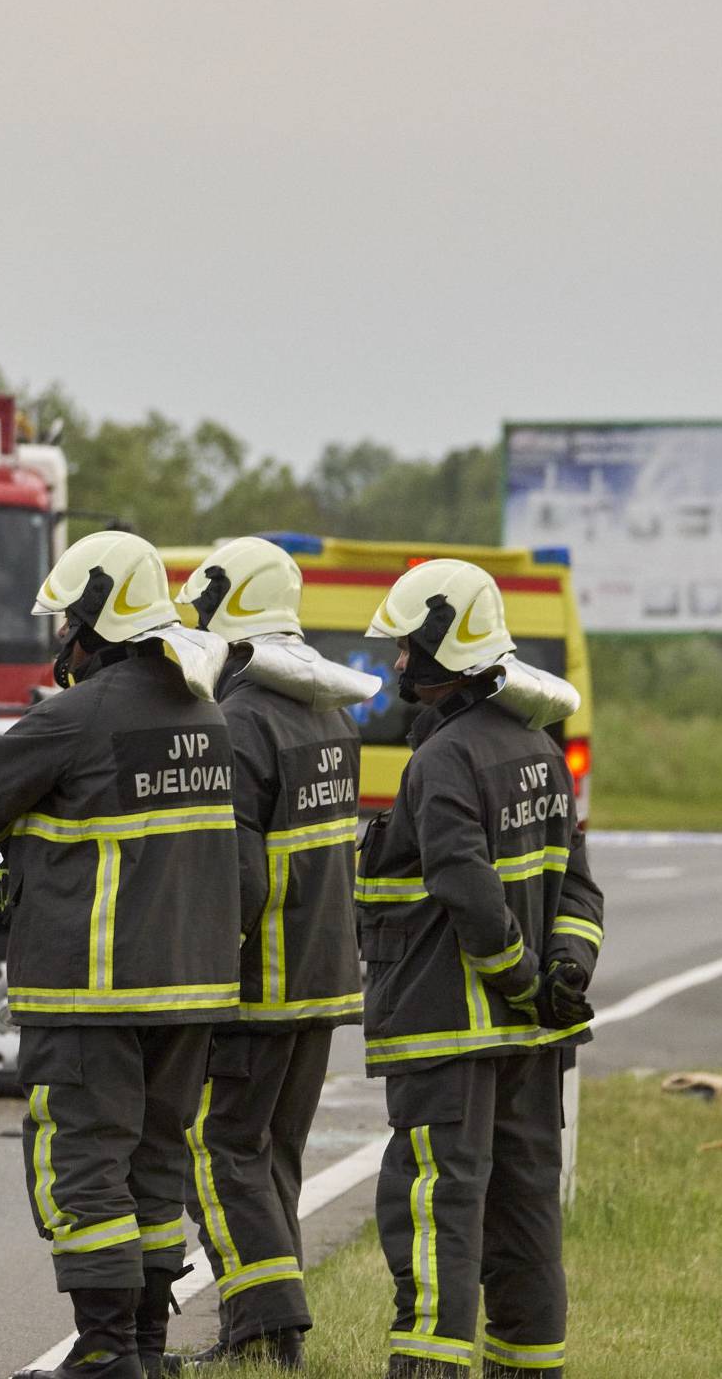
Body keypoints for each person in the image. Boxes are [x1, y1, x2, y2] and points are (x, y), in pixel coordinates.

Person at [0, 531, 243, 1379]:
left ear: (95, 621)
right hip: (190, 991)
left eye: (66, 623)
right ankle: (145, 1347)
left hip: (93, 990)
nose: (60, 642)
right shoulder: (205, 713)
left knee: (80, 1160)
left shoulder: (78, 714)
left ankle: (106, 1347)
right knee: (154, 1161)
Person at [354, 558, 605, 1379]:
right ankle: (530, 1365)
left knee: (437, 1204)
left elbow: (466, 886)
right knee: (525, 1207)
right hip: (532, 1042)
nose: (395, 665)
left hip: (448, 1029)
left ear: (443, 648)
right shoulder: (537, 748)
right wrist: (563, 973)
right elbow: (578, 885)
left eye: (405, 648)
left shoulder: (444, 760)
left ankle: (428, 1366)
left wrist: (523, 979)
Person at [163, 537, 380, 1372]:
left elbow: (238, 877)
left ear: (229, 609)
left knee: (218, 1153)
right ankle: (270, 1330)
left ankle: (263, 1329)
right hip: (322, 981)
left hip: (258, 989)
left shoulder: (242, 717)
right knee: (271, 1158)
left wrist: (206, 982)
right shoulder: (324, 710)